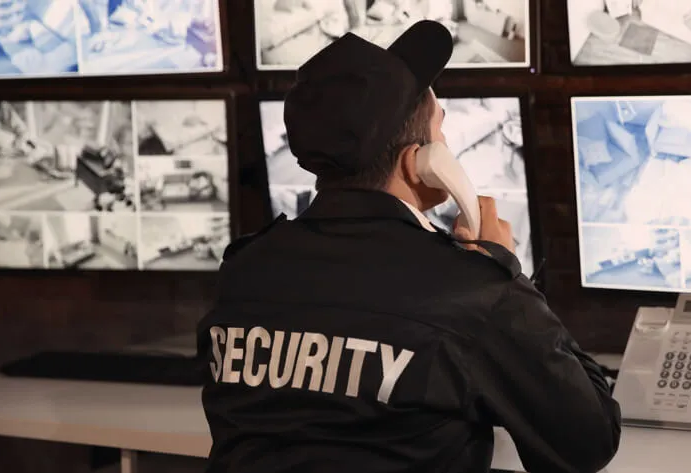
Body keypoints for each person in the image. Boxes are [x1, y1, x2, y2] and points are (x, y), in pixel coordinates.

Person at [198, 20, 621, 473]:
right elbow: (588, 440)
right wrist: (507, 276)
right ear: (420, 162)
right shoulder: (469, 289)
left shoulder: (244, 270)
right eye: (441, 130)